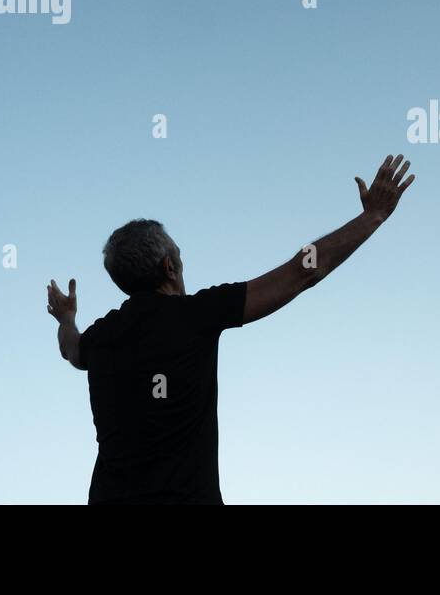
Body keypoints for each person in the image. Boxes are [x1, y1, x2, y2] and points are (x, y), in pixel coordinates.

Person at [44, 154, 415, 503]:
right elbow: (303, 271)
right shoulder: (196, 314)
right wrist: (374, 216)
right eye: (179, 255)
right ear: (169, 267)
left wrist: (66, 318)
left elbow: (70, 349)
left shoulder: (101, 337)